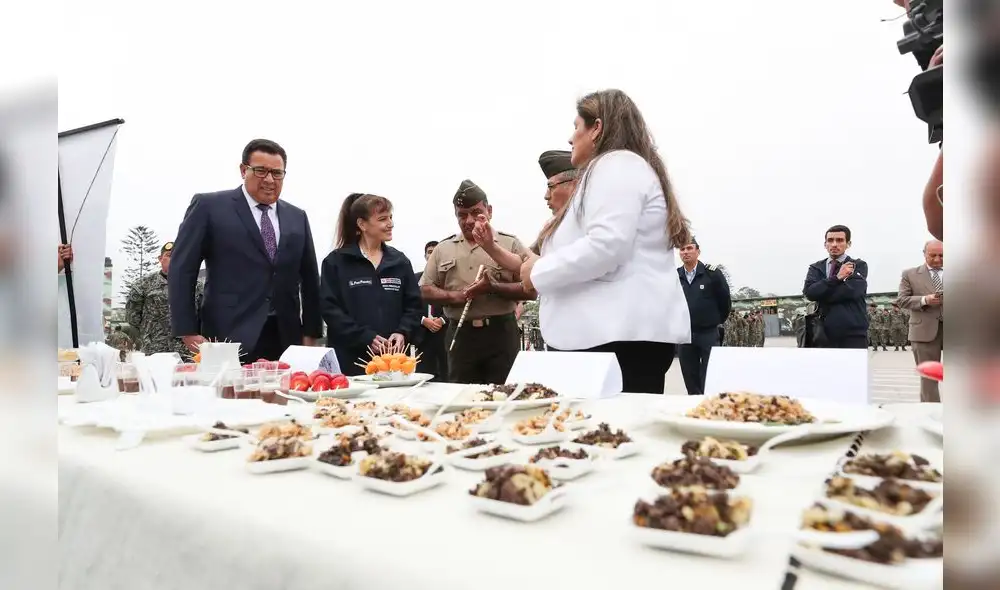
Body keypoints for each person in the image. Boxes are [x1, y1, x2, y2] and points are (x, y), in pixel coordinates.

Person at [519, 89, 693, 394]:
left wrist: (538, 271)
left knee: (615, 436)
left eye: (576, 127)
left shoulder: (617, 164)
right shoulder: (621, 168)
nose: (571, 138)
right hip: (613, 340)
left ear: (597, 127)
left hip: (615, 343)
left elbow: (607, 246)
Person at [168, 139, 323, 362]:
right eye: (261, 171)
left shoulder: (297, 217)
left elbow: (309, 278)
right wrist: (187, 330)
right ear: (243, 170)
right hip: (227, 335)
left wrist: (311, 333)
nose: (270, 179)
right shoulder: (209, 207)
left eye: (277, 173)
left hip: (286, 337)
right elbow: (182, 269)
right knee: (230, 396)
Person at [419, 180, 526, 384]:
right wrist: (457, 296)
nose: (469, 220)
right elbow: (425, 290)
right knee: (459, 396)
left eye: (476, 212)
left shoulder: (509, 243)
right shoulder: (443, 248)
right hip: (460, 335)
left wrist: (493, 288)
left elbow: (530, 291)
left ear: (489, 210)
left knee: (503, 394)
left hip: (501, 333)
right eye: (462, 214)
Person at [319, 193, 423, 376]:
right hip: (351, 363)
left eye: (391, 217)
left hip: (393, 363)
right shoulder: (336, 262)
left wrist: (402, 332)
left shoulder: (400, 262)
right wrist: (365, 337)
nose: (390, 223)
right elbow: (330, 311)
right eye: (383, 219)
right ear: (362, 224)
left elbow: (414, 306)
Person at [127, 242, 203, 357]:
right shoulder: (143, 285)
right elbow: (132, 317)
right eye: (169, 255)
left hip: (186, 353)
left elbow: (203, 317)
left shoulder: (196, 286)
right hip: (154, 351)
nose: (173, 259)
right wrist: (151, 332)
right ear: (160, 259)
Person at [676, 238, 731, 396]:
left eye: (689, 248)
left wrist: (717, 320)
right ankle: (694, 406)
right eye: (682, 249)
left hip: (708, 333)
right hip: (685, 335)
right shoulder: (676, 276)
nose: (685, 252)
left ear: (697, 251)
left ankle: (710, 405)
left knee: (710, 375)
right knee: (690, 377)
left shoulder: (711, 274)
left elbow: (724, 301)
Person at [802, 225, 870, 348]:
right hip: (821, 333)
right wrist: (837, 278)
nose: (834, 244)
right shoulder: (816, 268)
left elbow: (852, 291)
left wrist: (822, 293)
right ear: (825, 244)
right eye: (830, 240)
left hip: (852, 333)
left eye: (839, 240)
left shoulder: (857, 265)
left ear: (848, 244)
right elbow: (810, 293)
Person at [896, 239, 944, 402]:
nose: (937, 259)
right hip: (924, 332)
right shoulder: (909, 274)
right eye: (933, 255)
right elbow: (902, 300)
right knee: (929, 378)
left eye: (942, 255)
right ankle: (931, 415)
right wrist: (925, 300)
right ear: (924, 254)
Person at [413, 240, 449, 381]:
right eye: (429, 252)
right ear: (425, 256)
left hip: (444, 332)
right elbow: (408, 304)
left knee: (447, 372)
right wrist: (423, 320)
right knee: (424, 375)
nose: (432, 254)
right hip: (422, 335)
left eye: (436, 251)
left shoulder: (449, 279)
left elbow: (457, 302)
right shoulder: (414, 279)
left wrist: (442, 319)